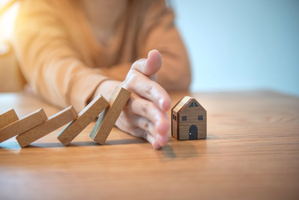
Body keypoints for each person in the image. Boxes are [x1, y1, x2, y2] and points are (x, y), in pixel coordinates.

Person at [12, 0, 191, 149]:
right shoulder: (38, 5)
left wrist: (102, 84)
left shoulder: (150, 5)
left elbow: (177, 69)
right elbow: (51, 66)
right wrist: (108, 91)